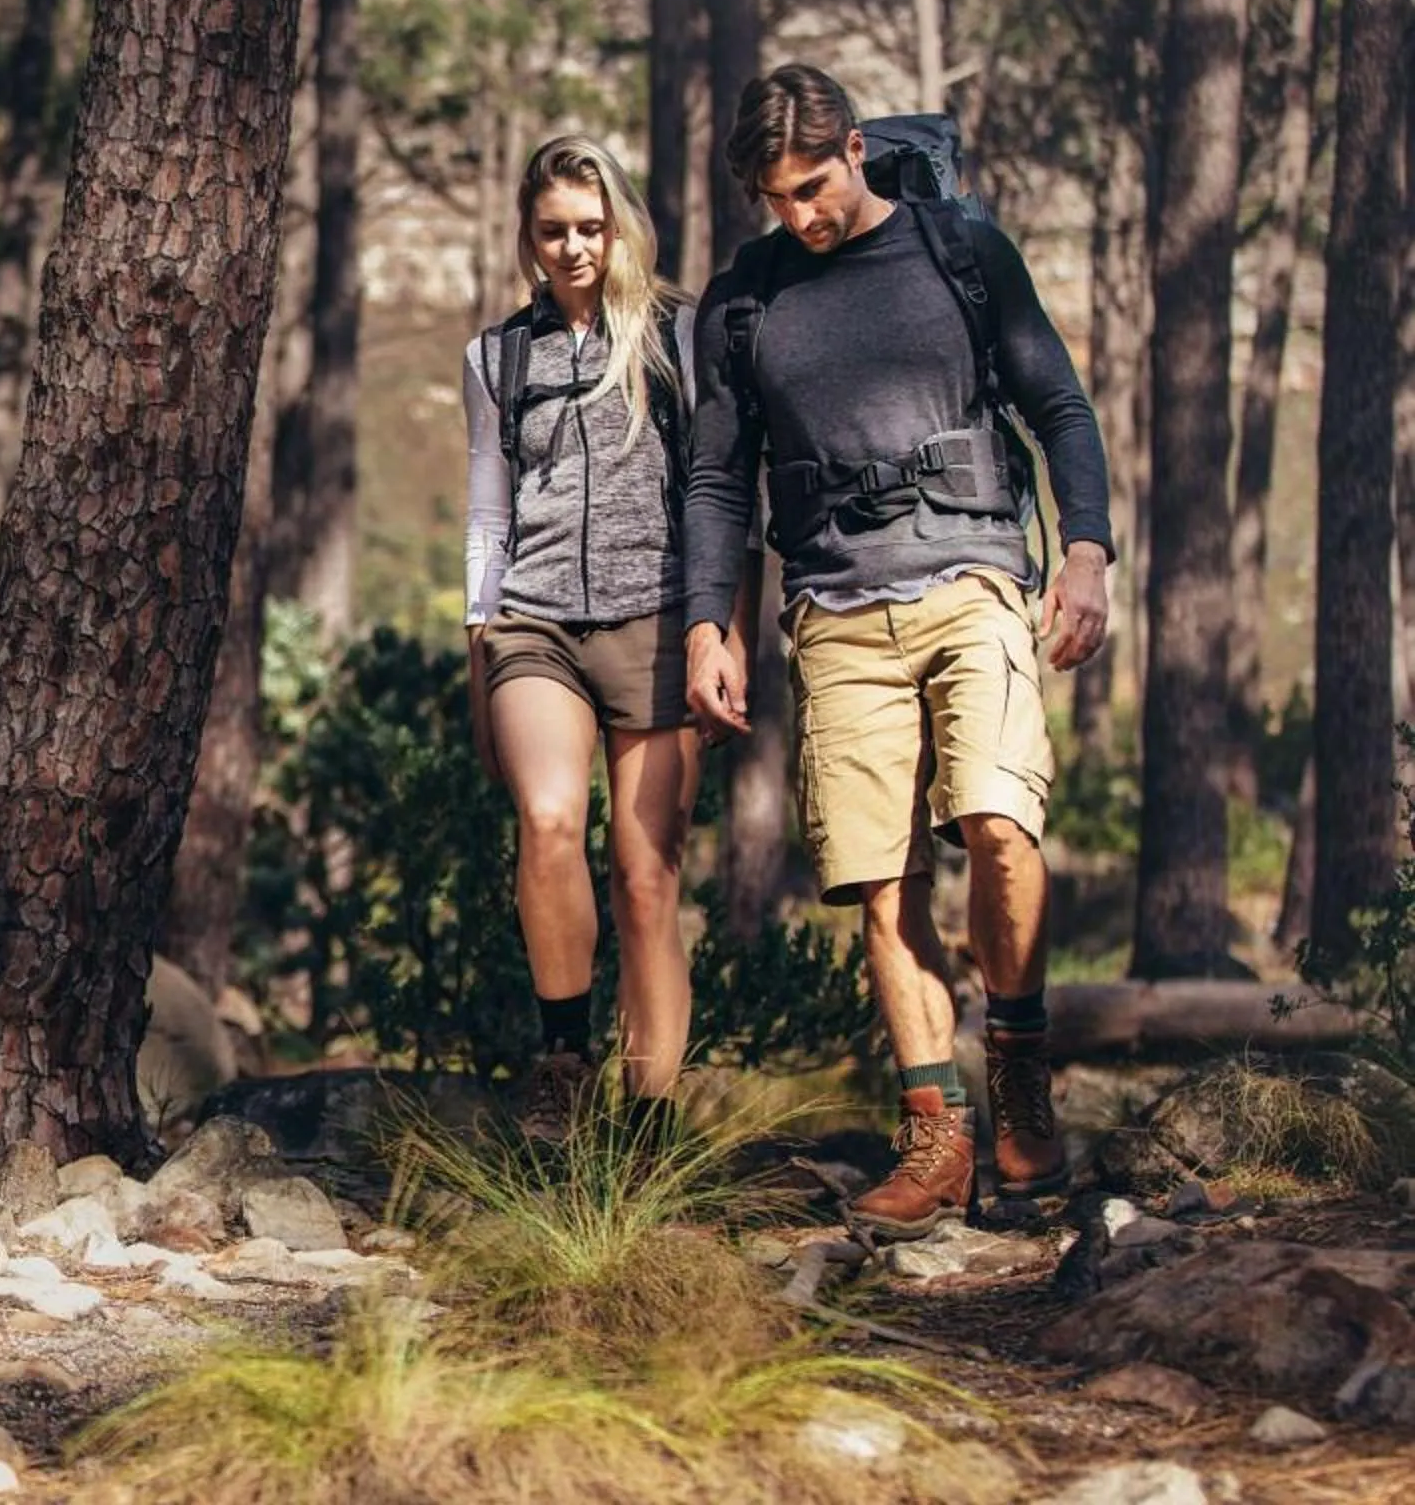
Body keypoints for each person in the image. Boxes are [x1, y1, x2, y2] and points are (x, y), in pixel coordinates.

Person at [682, 64, 1114, 1240]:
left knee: (1000, 827)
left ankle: (1018, 1066)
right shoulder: (746, 299)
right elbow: (718, 477)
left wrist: (1086, 551)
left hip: (976, 578)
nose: (801, 215)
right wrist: (705, 621)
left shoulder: (958, 249)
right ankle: (938, 1132)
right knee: (884, 881)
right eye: (777, 198)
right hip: (834, 611)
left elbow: (1059, 407)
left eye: (814, 187)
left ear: (858, 150)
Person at [462, 134, 719, 1145]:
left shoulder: (677, 336)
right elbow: (489, 506)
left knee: (647, 876)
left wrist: (716, 629)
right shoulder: (497, 356)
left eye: (588, 227)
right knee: (553, 819)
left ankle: (651, 1128)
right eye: (550, 231)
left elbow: (716, 487)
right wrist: (477, 634)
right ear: (527, 238)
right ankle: (564, 1059)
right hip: (533, 624)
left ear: (620, 227)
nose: (571, 248)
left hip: (654, 619)